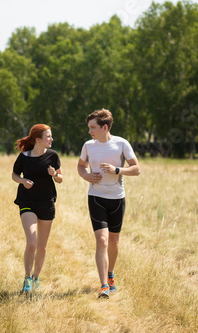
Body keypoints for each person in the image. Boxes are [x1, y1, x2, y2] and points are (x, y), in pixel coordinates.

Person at [77, 109, 140, 299]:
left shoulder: (121, 144)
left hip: (117, 199)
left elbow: (136, 169)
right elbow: (80, 166)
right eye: (89, 127)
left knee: (113, 242)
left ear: (105, 127)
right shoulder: (88, 146)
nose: (89, 131)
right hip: (96, 197)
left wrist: (117, 170)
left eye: (92, 127)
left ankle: (110, 273)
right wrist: (87, 175)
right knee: (102, 240)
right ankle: (104, 284)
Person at [12, 124, 63, 292]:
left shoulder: (53, 156)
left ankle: (36, 278)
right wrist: (23, 181)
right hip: (27, 201)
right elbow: (14, 175)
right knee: (32, 242)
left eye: (51, 136)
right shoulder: (24, 157)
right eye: (48, 136)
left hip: (47, 203)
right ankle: (27, 277)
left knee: (42, 246)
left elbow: (61, 178)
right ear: (38, 140)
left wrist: (54, 174)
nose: (51, 139)